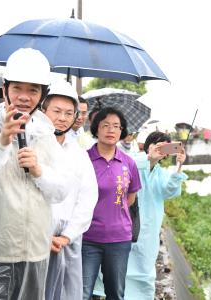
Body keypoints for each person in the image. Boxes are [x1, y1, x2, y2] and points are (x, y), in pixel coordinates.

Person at [0, 48, 71, 300]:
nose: (24, 97)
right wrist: (2, 140)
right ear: (4, 90)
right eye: (17, 88)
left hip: (34, 253)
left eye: (33, 90)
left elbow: (62, 190)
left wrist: (39, 171)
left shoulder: (44, 136)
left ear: (42, 96)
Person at [41, 80, 98, 300]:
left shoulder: (78, 153)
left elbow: (87, 197)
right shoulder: (33, 144)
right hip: (36, 239)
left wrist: (67, 235)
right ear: (43, 110)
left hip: (68, 242)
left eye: (68, 113)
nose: (62, 118)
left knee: (67, 293)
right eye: (56, 111)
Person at [82, 107, 142, 300]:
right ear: (96, 129)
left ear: (122, 131)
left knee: (115, 293)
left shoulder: (128, 163)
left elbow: (130, 197)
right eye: (105, 125)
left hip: (119, 239)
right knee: (81, 292)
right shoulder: (83, 159)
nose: (111, 130)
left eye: (116, 126)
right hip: (87, 237)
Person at [125, 131, 187, 300]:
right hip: (127, 225)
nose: (160, 150)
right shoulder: (134, 160)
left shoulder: (162, 173)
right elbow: (127, 169)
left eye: (164, 147)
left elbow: (170, 191)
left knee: (145, 271)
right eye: (156, 144)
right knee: (122, 270)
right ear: (148, 145)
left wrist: (179, 166)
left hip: (150, 230)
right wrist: (149, 158)